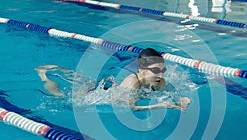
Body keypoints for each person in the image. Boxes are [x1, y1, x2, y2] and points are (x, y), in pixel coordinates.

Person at [35, 48, 191, 111]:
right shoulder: (133, 83)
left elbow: (174, 93)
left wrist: (182, 100)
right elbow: (133, 108)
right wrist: (160, 105)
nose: (161, 75)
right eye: (155, 71)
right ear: (141, 71)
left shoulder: (159, 80)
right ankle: (43, 75)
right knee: (62, 96)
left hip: (106, 87)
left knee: (82, 80)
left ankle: (62, 70)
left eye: (163, 71)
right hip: (96, 96)